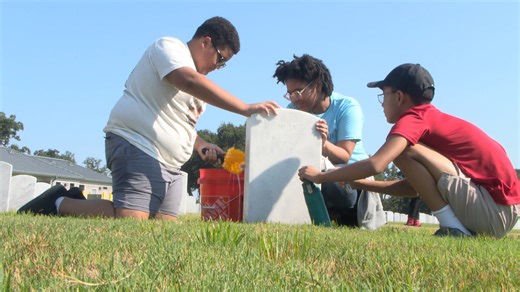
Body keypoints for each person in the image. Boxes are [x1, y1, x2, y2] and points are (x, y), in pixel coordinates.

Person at [18, 16, 279, 221]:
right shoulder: (169, 48)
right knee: (132, 221)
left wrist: (200, 145)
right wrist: (245, 108)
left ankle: (70, 201)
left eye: (224, 65)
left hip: (172, 166)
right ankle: (59, 203)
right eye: (220, 59)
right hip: (137, 143)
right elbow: (186, 80)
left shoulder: (199, 90)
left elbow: (184, 124)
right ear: (205, 41)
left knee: (161, 226)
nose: (217, 67)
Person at [298, 63, 519, 238]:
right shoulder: (433, 121)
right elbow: (414, 189)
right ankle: (457, 227)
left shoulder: (414, 119)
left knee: (403, 151)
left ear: (399, 97)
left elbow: (377, 164)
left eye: (383, 95)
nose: (382, 104)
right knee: (407, 152)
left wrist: (321, 176)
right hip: (501, 211)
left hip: (492, 210)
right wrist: (361, 183)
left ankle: (454, 229)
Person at [273, 54, 385, 229]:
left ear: (316, 85)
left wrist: (323, 144)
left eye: (298, 92)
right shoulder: (295, 110)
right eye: (290, 94)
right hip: (313, 173)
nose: (294, 99)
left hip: (349, 180)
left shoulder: (347, 107)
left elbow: (344, 156)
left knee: (330, 182)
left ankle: (346, 216)